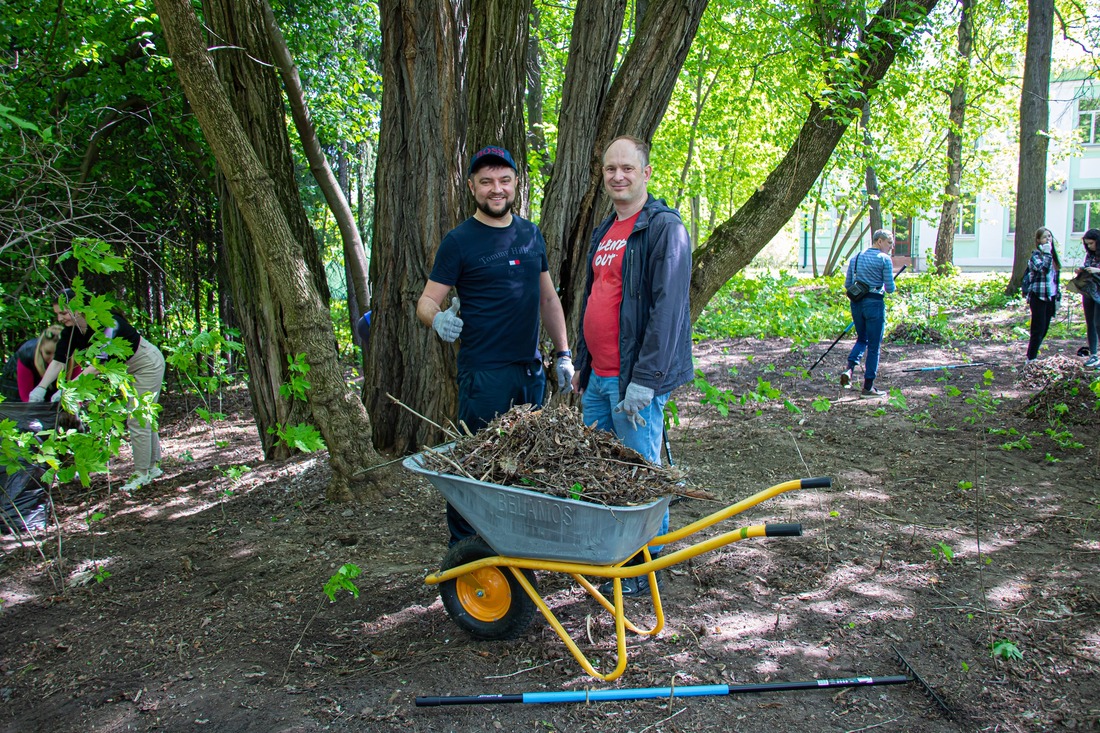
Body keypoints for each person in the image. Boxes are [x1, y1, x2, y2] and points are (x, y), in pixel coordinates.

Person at [417, 145, 572, 546]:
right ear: (472, 187)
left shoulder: (530, 234)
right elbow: (426, 301)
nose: (496, 189)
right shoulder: (460, 241)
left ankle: (518, 544)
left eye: (504, 180)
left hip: (530, 373)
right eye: (486, 181)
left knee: (529, 461)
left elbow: (549, 298)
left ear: (516, 183)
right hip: (484, 374)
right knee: (475, 463)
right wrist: (439, 320)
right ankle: (467, 553)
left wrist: (563, 354)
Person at [570, 135, 694, 596]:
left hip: (632, 382)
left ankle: (647, 565)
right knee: (599, 467)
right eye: (609, 170)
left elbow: (669, 310)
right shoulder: (606, 230)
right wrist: (582, 364)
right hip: (599, 378)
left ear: (645, 173)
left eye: (627, 168)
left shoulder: (663, 228)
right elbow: (595, 298)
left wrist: (644, 380)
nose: (617, 176)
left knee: (641, 471)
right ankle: (614, 555)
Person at [28, 290, 166, 491]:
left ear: (78, 309)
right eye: (58, 314)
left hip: (146, 363)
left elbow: (97, 365)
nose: (60, 318)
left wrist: (70, 388)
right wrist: (40, 389)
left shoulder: (108, 323)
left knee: (138, 416)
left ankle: (142, 473)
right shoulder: (72, 331)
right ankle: (153, 467)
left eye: (64, 313)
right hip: (123, 370)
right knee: (143, 416)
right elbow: (59, 361)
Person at [840, 229, 897, 397]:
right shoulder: (884, 260)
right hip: (874, 304)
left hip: (857, 304)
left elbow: (848, 284)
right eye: (889, 243)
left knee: (861, 338)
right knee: (873, 345)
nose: (890, 247)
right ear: (879, 241)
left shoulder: (855, 258)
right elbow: (891, 288)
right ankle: (868, 387)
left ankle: (849, 370)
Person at [1023, 227, 1061, 363]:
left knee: (1044, 329)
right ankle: (1030, 358)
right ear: (1038, 240)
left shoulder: (1053, 257)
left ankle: (1033, 356)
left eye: (1050, 237)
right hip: (1038, 296)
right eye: (1045, 237)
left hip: (1050, 296)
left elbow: (1055, 278)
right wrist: (1047, 254)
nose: (1048, 239)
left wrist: (1058, 296)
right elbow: (1043, 269)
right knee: (1037, 329)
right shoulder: (1036, 256)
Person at [1, 325, 63, 402]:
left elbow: (77, 391)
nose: (53, 359)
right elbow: (26, 397)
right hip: (15, 384)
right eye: (48, 353)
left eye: (57, 354)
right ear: (40, 348)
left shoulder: (74, 358)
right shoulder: (26, 355)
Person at [1075, 228, 1100, 368]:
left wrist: (1097, 270)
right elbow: (1087, 267)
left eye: (1091, 243)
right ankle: (1093, 355)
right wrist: (1081, 270)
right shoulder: (1090, 255)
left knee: (1098, 323)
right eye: (1087, 244)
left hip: (1099, 292)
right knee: (1090, 322)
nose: (1089, 246)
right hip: (1089, 291)